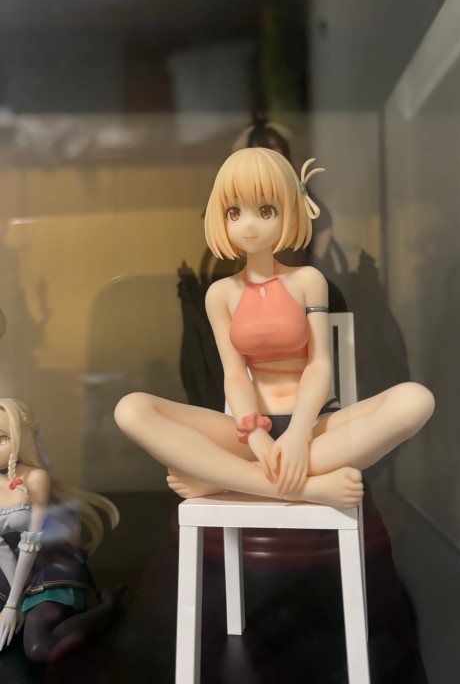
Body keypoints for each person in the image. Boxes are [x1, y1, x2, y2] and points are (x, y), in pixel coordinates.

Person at [115, 147, 435, 507]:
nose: (249, 225)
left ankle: (222, 479)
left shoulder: (308, 281)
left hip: (316, 428)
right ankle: (305, 488)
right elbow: (235, 375)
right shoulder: (220, 294)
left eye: (266, 211)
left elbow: (319, 365)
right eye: (234, 212)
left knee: (415, 400)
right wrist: (256, 436)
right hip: (248, 430)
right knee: (132, 409)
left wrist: (298, 435)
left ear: (290, 210)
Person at [0, 398, 122, 662]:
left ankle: (108, 605)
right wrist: (13, 600)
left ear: (22, 440)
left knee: (40, 648)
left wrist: (12, 603)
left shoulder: (34, 477)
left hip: (45, 564)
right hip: (9, 570)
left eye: (2, 438)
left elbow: (31, 543)